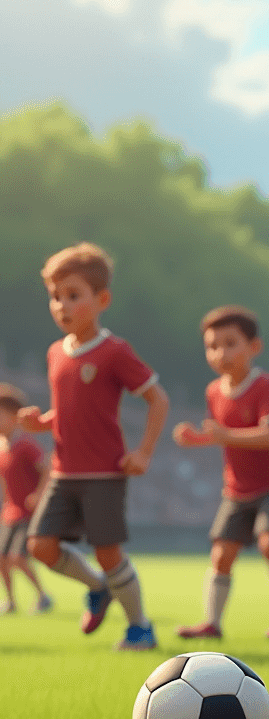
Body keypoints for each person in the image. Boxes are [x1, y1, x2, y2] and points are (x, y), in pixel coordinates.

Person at [21, 243, 168, 650]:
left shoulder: (114, 351)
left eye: (72, 295)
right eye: (55, 297)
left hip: (104, 473)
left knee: (108, 552)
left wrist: (142, 453)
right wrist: (42, 422)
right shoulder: (55, 353)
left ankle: (140, 626)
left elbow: (158, 399)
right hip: (63, 471)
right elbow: (67, 410)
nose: (61, 306)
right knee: (40, 546)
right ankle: (98, 589)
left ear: (101, 299)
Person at [173, 305, 269, 640]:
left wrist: (221, 435)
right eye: (212, 346)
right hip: (237, 489)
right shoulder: (214, 391)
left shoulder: (267, 386)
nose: (220, 353)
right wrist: (196, 440)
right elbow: (222, 436)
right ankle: (211, 624)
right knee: (221, 554)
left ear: (253, 347)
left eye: (230, 343)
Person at [0, 384, 53, 614]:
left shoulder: (25, 445)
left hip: (28, 512)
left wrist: (38, 495)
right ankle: (11, 602)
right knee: (2, 559)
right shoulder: (2, 448)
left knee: (17, 557)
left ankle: (43, 596)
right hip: (10, 511)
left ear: (13, 418)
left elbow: (46, 469)